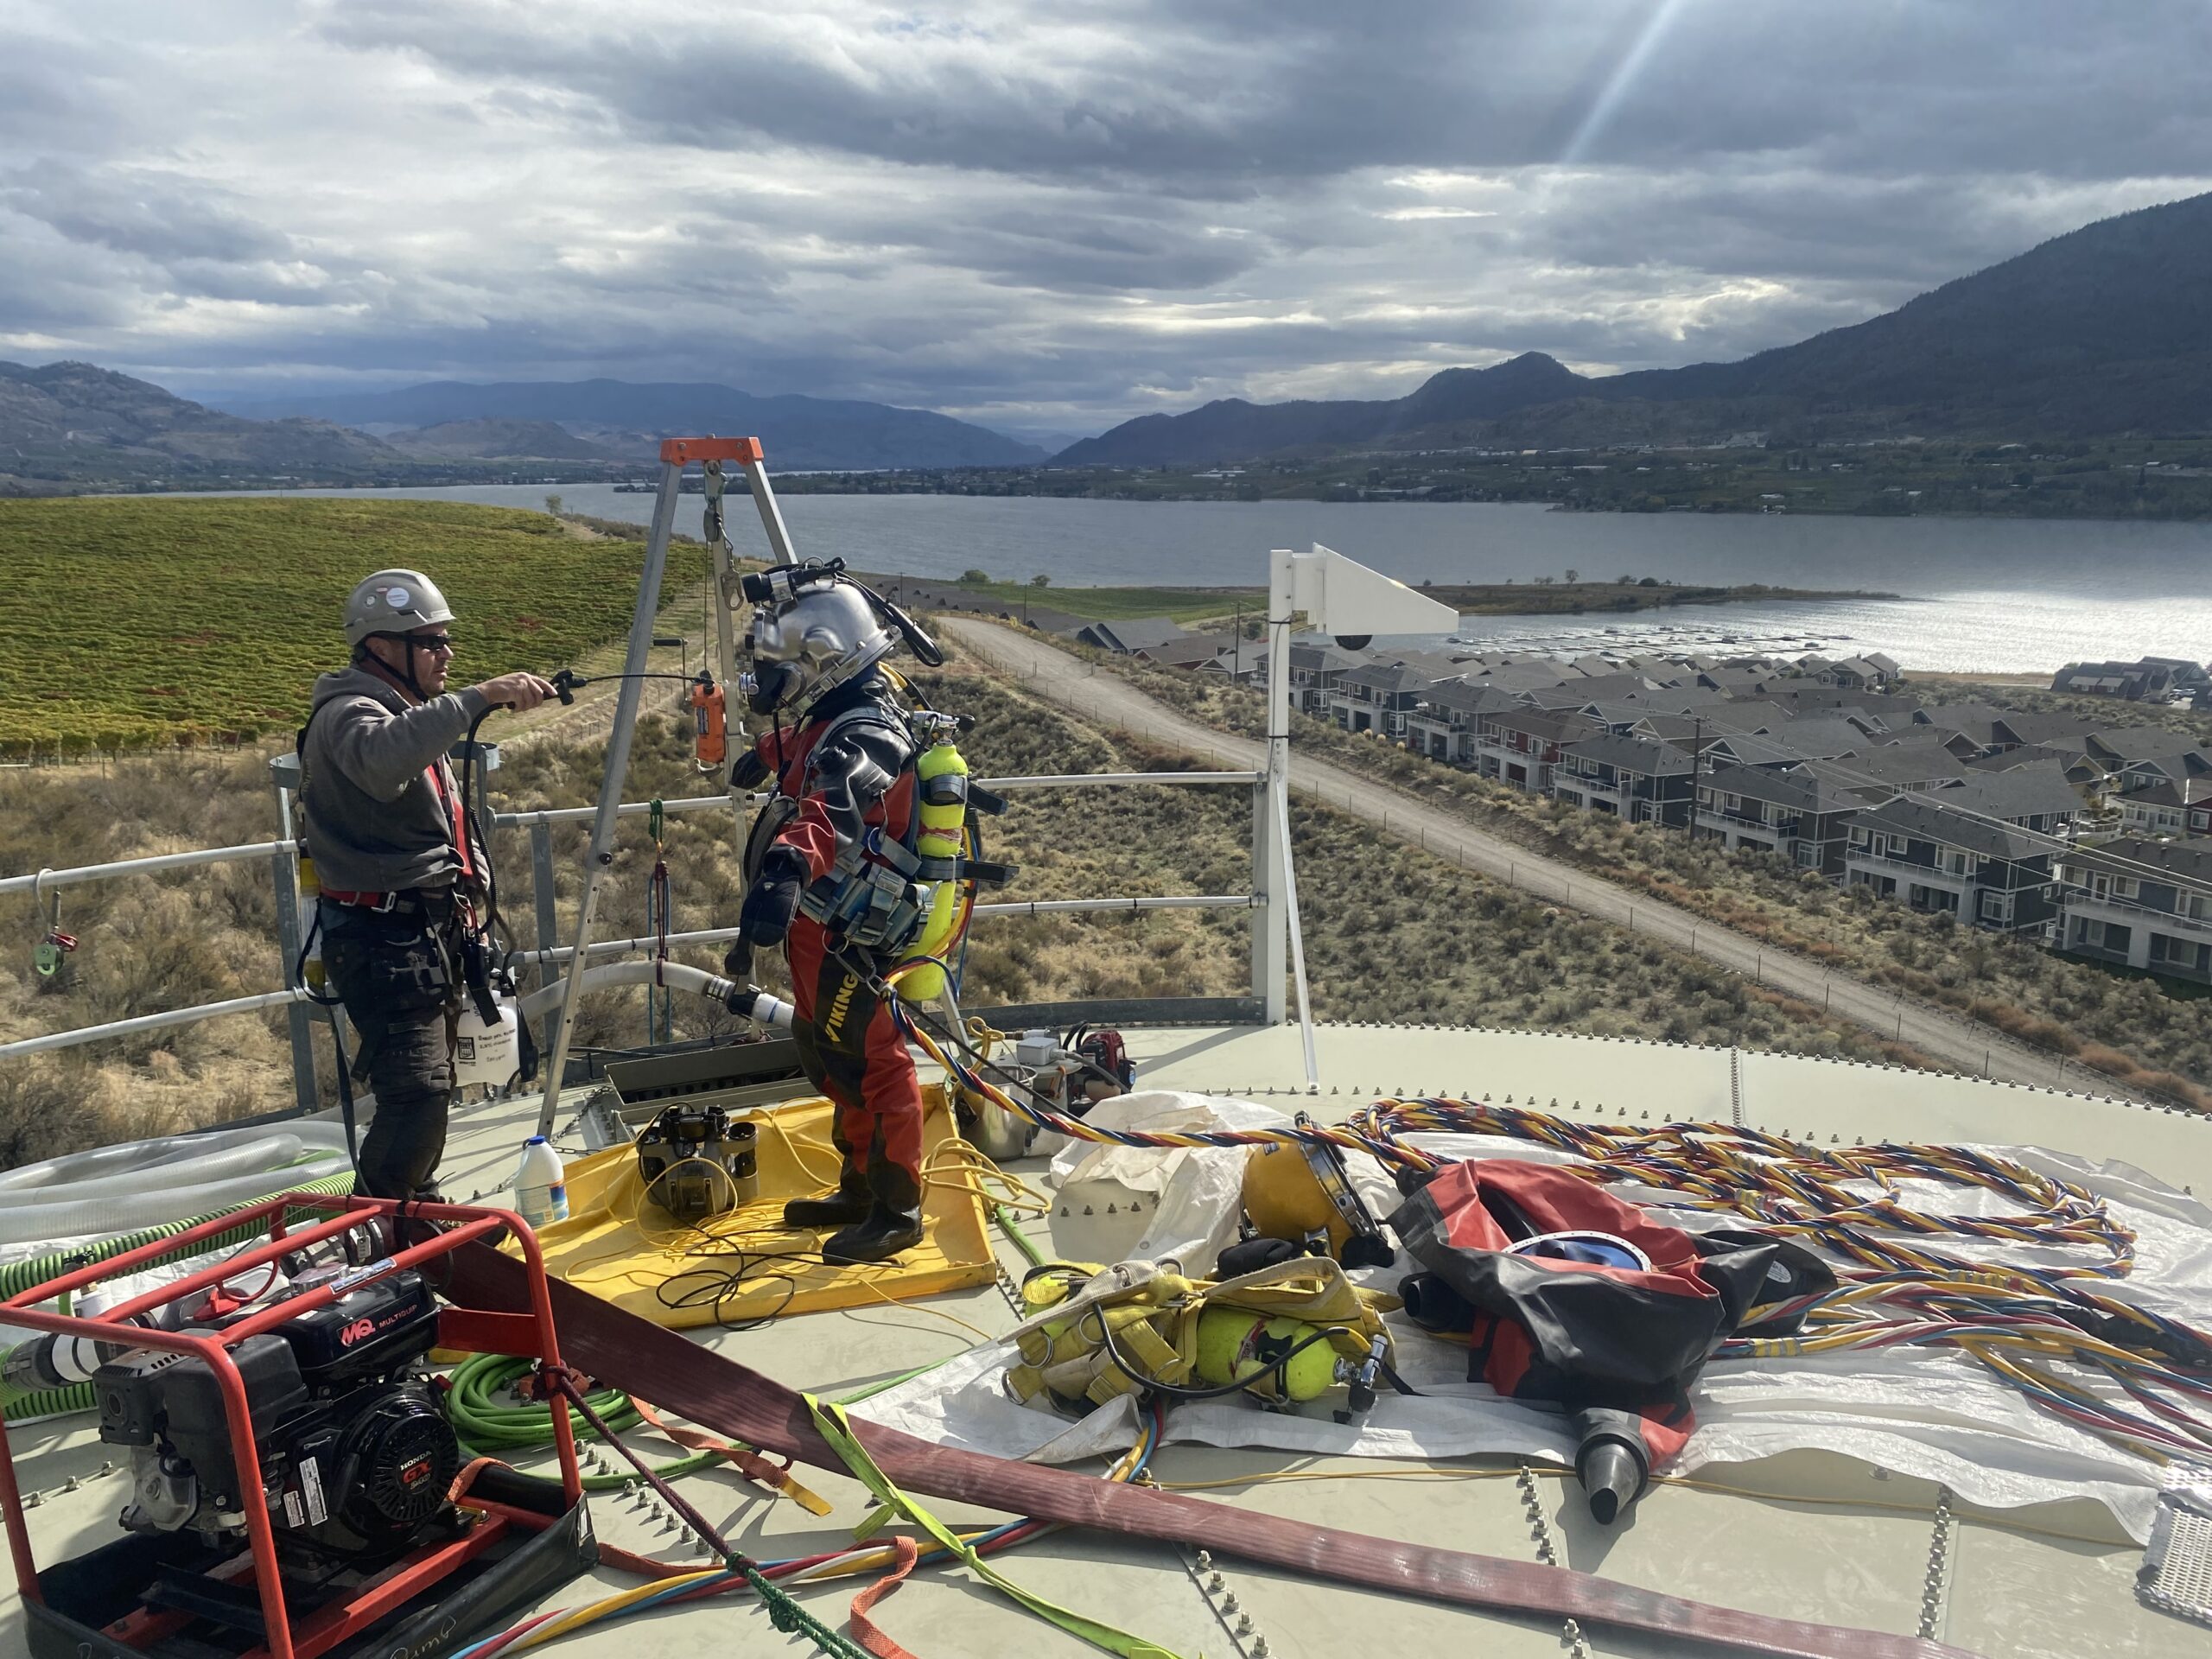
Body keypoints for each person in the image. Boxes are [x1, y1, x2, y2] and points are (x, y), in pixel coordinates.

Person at [299, 569, 553, 1198]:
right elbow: (385, 760)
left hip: (423, 933)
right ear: (383, 647)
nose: (447, 653)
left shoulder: (401, 712)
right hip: (384, 939)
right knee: (417, 1093)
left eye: (445, 641)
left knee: (431, 1084)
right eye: (432, 642)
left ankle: (418, 1205)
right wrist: (476, 698)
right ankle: (381, 1225)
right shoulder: (348, 714)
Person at [726, 565, 954, 1263]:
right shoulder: (838, 715)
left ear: (820, 656)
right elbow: (810, 753)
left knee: (873, 1062)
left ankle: (898, 1207)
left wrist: (791, 863)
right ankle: (858, 1188)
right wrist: (767, 754)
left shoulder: (869, 732)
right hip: (817, 930)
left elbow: (838, 801)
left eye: (779, 668)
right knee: (833, 1058)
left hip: (850, 930)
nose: (770, 684)